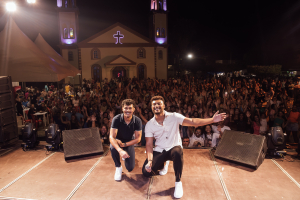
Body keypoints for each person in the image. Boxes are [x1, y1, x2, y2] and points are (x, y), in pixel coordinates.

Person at [142, 96, 226, 199]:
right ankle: (164, 163)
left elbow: (193, 121)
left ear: (164, 105)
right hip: (160, 149)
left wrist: (212, 120)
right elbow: (149, 144)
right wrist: (150, 160)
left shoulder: (174, 116)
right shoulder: (150, 124)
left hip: (174, 147)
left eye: (159, 103)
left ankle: (178, 182)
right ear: (151, 107)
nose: (156, 106)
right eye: (154, 104)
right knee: (146, 172)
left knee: (177, 152)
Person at [109, 99, 142, 181]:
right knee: (113, 147)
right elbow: (111, 137)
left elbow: (138, 139)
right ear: (122, 109)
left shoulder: (137, 121)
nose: (128, 110)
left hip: (128, 142)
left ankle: (125, 155)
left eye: (130, 108)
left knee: (130, 168)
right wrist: (120, 150)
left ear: (134, 109)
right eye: (126, 108)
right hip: (118, 140)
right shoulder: (116, 119)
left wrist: (125, 145)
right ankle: (118, 167)